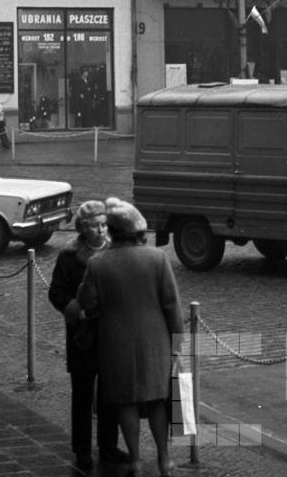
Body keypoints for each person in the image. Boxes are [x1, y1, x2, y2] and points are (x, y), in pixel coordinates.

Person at [78, 197, 183, 477]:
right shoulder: (158, 258)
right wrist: (179, 342)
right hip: (155, 339)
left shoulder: (98, 263)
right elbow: (172, 304)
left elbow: (87, 302)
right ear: (139, 232)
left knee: (126, 401)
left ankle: (135, 460)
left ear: (112, 232)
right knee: (158, 399)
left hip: (115, 341)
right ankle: (164, 459)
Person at [47, 200, 125, 472]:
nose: (102, 231)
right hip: (82, 334)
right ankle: (81, 449)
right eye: (95, 226)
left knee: (109, 393)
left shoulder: (117, 252)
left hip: (110, 332)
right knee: (81, 393)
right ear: (82, 228)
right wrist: (75, 310)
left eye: (104, 225)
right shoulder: (70, 256)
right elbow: (56, 292)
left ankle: (108, 446)